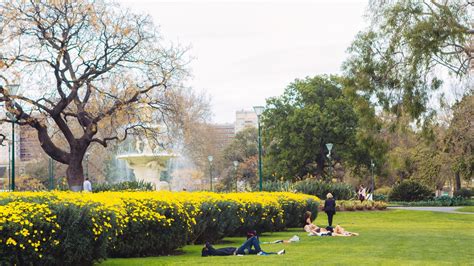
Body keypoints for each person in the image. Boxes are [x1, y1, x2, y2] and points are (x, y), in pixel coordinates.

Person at [202, 230, 285, 256]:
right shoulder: (216, 253)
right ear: (208, 250)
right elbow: (213, 250)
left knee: (256, 250)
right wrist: (207, 244)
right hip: (238, 251)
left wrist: (207, 246)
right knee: (253, 238)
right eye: (207, 248)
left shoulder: (217, 251)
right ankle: (260, 252)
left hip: (240, 250)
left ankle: (277, 253)